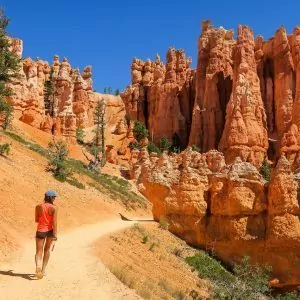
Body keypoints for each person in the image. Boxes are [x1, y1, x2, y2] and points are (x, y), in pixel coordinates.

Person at [35, 190, 58, 279]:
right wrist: (55, 234)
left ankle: (38, 266)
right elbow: (54, 222)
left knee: (38, 251)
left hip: (40, 230)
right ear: (51, 198)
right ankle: (43, 270)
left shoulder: (38, 207)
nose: (54, 199)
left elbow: (36, 220)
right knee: (47, 250)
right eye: (54, 197)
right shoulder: (54, 208)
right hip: (49, 231)